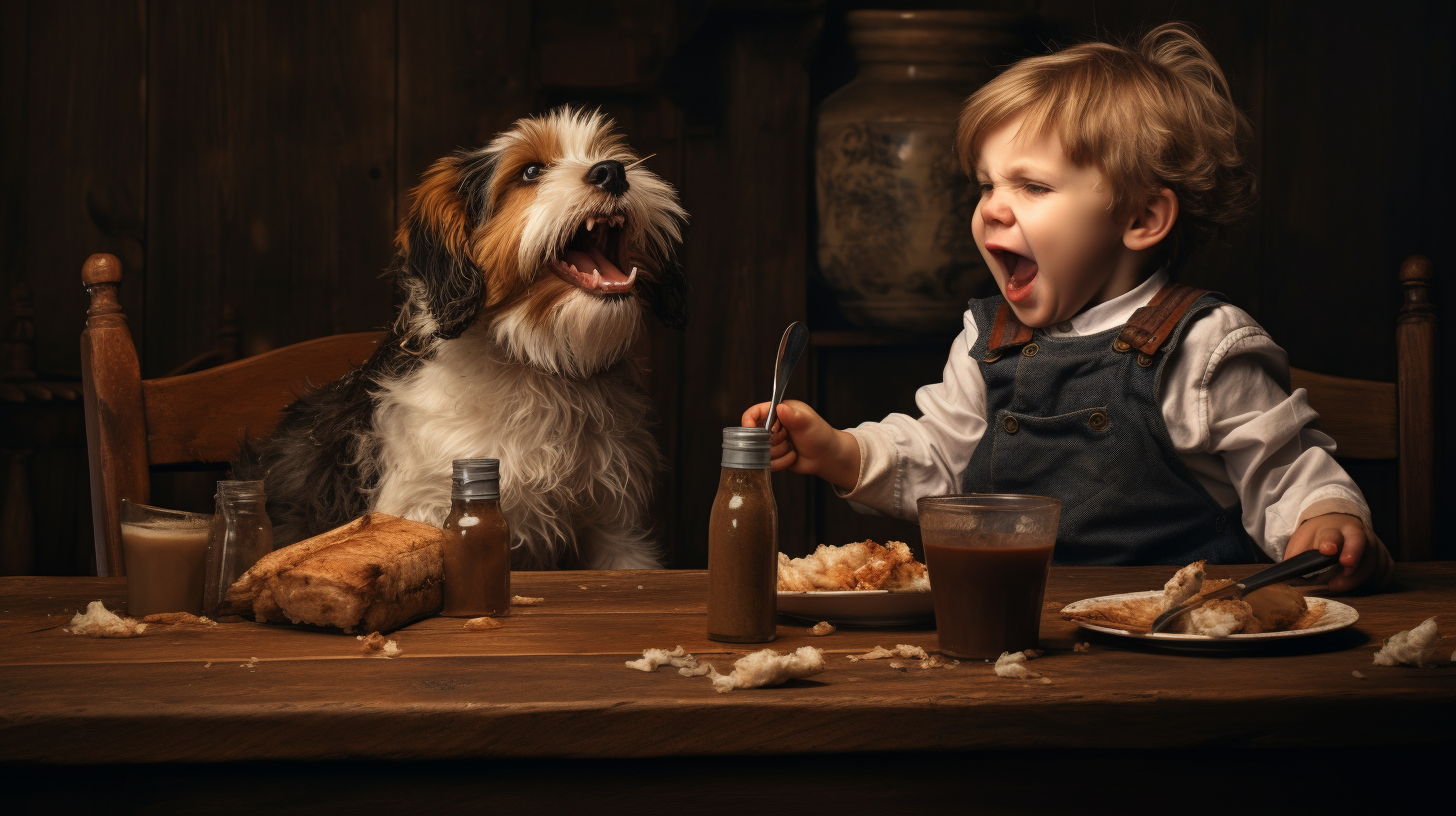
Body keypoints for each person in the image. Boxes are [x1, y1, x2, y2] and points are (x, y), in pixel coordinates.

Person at [744, 23, 1391, 591]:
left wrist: (1325, 518)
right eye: (987, 184)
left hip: (1169, 639)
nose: (993, 207)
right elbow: (938, 458)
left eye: (1032, 185)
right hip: (1014, 629)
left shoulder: (1202, 346)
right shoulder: (988, 335)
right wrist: (837, 451)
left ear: (1140, 217)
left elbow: (1284, 472)